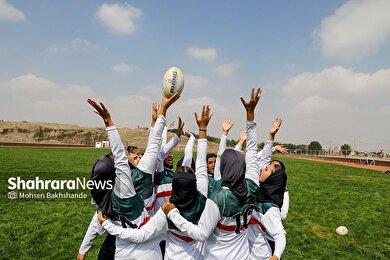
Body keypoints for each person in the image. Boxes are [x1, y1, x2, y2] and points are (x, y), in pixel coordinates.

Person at [98, 105, 212, 260]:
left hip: (135, 246)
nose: (140, 159)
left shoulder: (164, 212)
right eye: (136, 157)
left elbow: (154, 151)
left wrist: (106, 225)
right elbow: (199, 164)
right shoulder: (205, 201)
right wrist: (202, 131)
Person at [162, 88, 263, 260]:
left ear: (223, 169)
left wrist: (172, 214)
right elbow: (252, 152)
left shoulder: (218, 199)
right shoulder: (252, 186)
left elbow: (201, 234)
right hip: (243, 256)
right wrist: (251, 116)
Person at [87, 92, 180, 260]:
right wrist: (163, 111)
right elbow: (153, 146)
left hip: (121, 251)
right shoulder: (130, 186)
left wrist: (82, 250)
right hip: (147, 249)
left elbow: (95, 223)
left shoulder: (103, 199)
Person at [248, 118, 287, 260]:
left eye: (267, 169)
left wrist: (276, 256)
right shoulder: (257, 186)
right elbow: (264, 157)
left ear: (271, 180)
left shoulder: (269, 207)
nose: (263, 167)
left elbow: (280, 234)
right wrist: (271, 136)